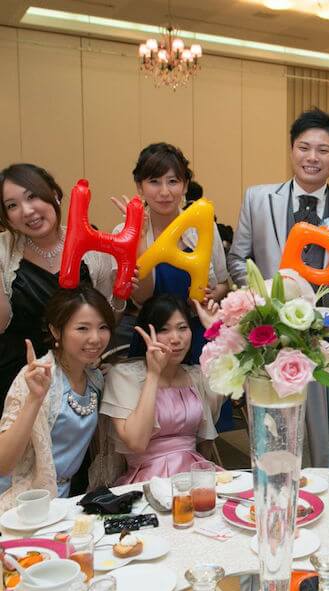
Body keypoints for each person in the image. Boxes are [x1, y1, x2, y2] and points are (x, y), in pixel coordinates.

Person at [227, 107, 329, 466]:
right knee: (274, 435)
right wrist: (267, 301)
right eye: (304, 147)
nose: (312, 157)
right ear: (292, 149)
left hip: (327, 340)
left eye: (323, 150)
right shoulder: (258, 199)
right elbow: (237, 259)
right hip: (269, 339)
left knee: (326, 437)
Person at [0, 164, 121, 411]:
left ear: (54, 194)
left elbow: (109, 318)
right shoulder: (3, 250)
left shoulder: (93, 247)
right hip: (17, 381)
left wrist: (122, 289)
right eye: (12, 205)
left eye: (32, 196)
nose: (27, 211)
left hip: (79, 379)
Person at [111, 143, 229, 361]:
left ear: (185, 186)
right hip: (153, 337)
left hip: (197, 333)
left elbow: (223, 283)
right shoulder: (123, 232)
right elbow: (141, 297)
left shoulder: (203, 227)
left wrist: (213, 295)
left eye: (173, 181)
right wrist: (139, 236)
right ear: (140, 187)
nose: (164, 192)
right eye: (154, 182)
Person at [0, 286, 114, 510]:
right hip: (22, 501)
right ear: (56, 331)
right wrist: (34, 399)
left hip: (63, 500)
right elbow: (3, 464)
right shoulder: (37, 376)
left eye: (103, 327)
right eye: (82, 328)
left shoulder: (95, 379)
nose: (95, 338)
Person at [100, 294, 223, 484]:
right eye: (164, 330)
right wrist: (153, 374)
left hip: (196, 473)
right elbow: (136, 442)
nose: (176, 338)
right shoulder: (124, 376)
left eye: (182, 328)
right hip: (149, 480)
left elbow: (240, 377)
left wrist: (217, 333)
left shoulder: (196, 376)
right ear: (146, 334)